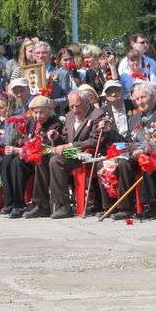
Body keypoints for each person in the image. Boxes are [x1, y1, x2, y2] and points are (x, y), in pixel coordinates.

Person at [102, 82, 156, 220]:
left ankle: (152, 206)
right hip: (139, 154)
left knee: (146, 160)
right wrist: (110, 131)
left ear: (153, 96)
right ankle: (126, 208)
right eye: (136, 99)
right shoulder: (135, 117)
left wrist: (145, 149)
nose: (139, 102)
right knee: (123, 163)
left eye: (143, 97)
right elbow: (129, 140)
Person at [44, 90, 107, 219]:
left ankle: (65, 206)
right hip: (73, 155)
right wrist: (56, 137)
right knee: (52, 160)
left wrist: (71, 146)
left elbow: (95, 141)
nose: (74, 109)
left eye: (77, 105)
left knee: (56, 161)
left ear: (87, 102)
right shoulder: (70, 116)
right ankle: (62, 205)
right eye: (71, 106)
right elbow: (66, 138)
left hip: (89, 155)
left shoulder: (97, 115)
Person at [0, 96, 62, 218]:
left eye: (41, 112)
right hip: (29, 156)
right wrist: (19, 148)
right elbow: (26, 140)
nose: (38, 115)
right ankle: (12, 203)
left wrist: (20, 151)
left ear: (49, 111)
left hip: (44, 157)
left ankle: (28, 205)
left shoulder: (55, 123)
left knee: (18, 161)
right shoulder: (32, 122)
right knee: (7, 160)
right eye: (35, 112)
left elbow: (44, 146)